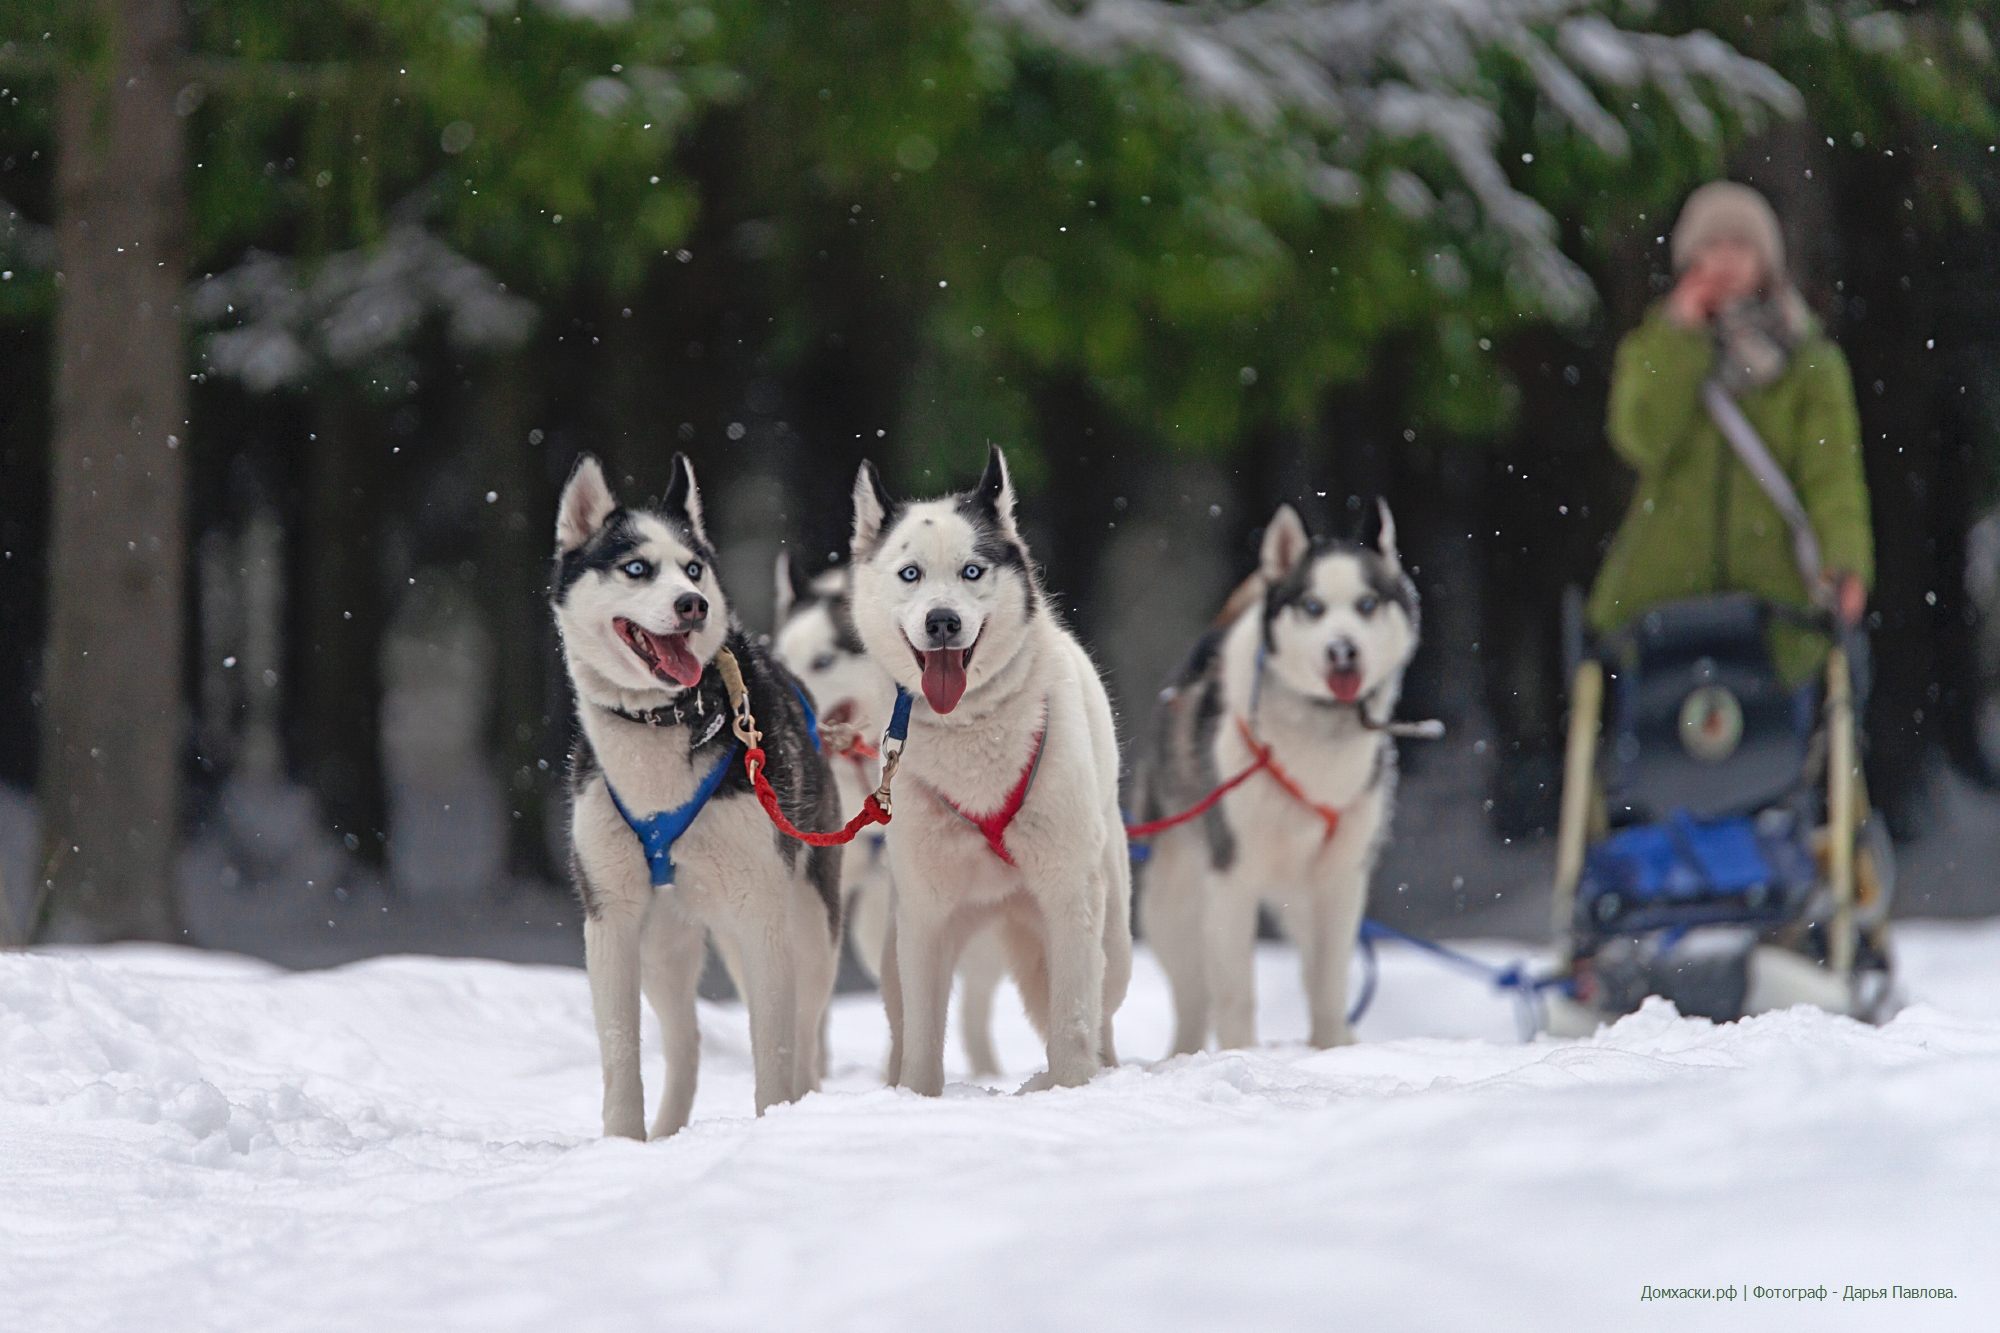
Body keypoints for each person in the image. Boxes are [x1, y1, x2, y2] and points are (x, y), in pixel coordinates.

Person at [1586, 181, 1873, 686]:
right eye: (1710, 245)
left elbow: (1834, 475)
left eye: (1740, 245)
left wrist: (1844, 562)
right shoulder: (1655, 346)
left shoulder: (1810, 364)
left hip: (1777, 609)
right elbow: (1639, 438)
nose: (1724, 260)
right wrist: (1681, 340)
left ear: (1767, 260)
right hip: (1663, 602)